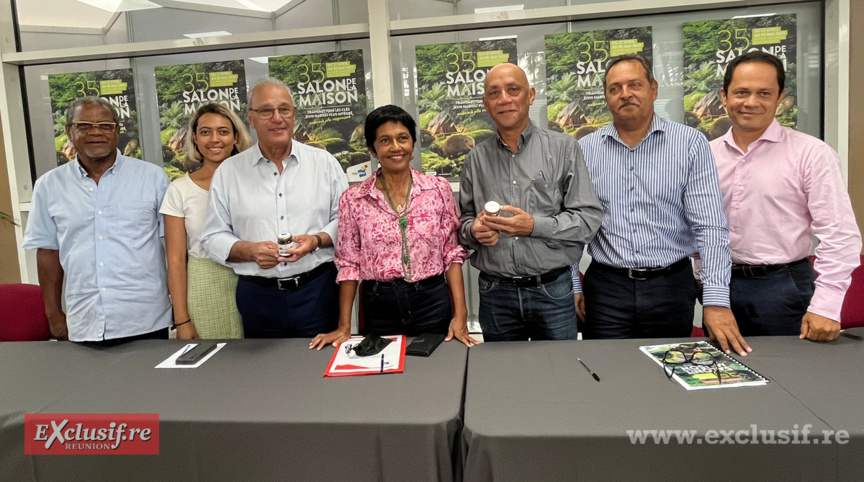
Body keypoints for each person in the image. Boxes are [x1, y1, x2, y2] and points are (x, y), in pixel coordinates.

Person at [572, 55, 749, 356]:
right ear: (605, 97)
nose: (625, 93)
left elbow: (710, 226)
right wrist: (575, 284)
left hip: (670, 286)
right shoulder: (585, 150)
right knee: (606, 373)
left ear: (653, 89)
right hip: (606, 289)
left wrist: (716, 300)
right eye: (615, 88)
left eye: (635, 84)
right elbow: (574, 224)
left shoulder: (690, 143)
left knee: (667, 374)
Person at [710, 51, 862, 342]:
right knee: (722, 378)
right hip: (720, 287)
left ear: (779, 98)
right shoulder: (705, 155)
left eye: (764, 93)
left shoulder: (811, 154)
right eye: (741, 92)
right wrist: (705, 283)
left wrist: (826, 306)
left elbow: (840, 234)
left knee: (791, 379)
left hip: (784, 287)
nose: (751, 102)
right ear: (724, 96)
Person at [310, 105, 477, 349]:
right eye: (385, 140)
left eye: (403, 138)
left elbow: (452, 253)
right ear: (372, 149)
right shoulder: (353, 199)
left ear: (413, 143)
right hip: (379, 304)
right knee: (383, 378)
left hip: (431, 300)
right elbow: (349, 264)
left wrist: (461, 313)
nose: (396, 147)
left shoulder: (437, 189)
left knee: (438, 373)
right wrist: (344, 326)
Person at [458, 63, 604, 342]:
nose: (505, 99)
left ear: (531, 95)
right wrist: (473, 231)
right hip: (495, 293)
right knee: (504, 379)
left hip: (552, 290)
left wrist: (533, 226)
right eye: (494, 93)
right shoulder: (475, 159)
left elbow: (587, 220)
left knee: (559, 375)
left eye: (513, 90)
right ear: (486, 103)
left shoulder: (563, 148)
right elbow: (463, 223)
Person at [201, 77, 348, 338]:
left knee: (319, 370)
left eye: (284, 110)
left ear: (294, 115)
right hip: (258, 296)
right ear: (251, 118)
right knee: (263, 374)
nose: (277, 118)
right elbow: (212, 236)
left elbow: (346, 221)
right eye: (266, 111)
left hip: (317, 291)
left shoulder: (323, 163)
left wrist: (316, 240)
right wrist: (250, 251)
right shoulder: (229, 172)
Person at [23, 96, 171, 343]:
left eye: (105, 126)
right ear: (70, 131)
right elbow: (48, 252)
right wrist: (54, 315)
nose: (96, 133)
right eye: (84, 126)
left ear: (117, 131)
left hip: (146, 318)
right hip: (83, 319)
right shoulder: (49, 186)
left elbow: (175, 248)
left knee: (150, 383)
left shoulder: (152, 178)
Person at [159, 103, 253, 340]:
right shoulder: (179, 190)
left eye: (223, 131)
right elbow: (176, 260)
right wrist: (182, 320)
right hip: (205, 286)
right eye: (205, 132)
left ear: (235, 137)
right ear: (194, 138)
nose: (214, 139)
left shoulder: (255, 183)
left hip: (254, 283)